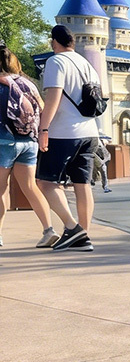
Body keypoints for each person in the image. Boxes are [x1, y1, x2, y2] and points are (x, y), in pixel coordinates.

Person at [35, 25, 101, 252]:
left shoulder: (55, 62)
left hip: (64, 132)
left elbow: (53, 97)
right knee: (82, 184)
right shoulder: (87, 64)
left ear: (55, 42)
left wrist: (43, 129)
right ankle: (85, 236)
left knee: (45, 182)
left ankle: (73, 229)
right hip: (90, 131)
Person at [0, 40, 58, 248]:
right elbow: (41, 109)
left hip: (4, 140)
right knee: (30, 186)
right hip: (29, 142)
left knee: (0, 189)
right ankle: (48, 229)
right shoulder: (28, 84)